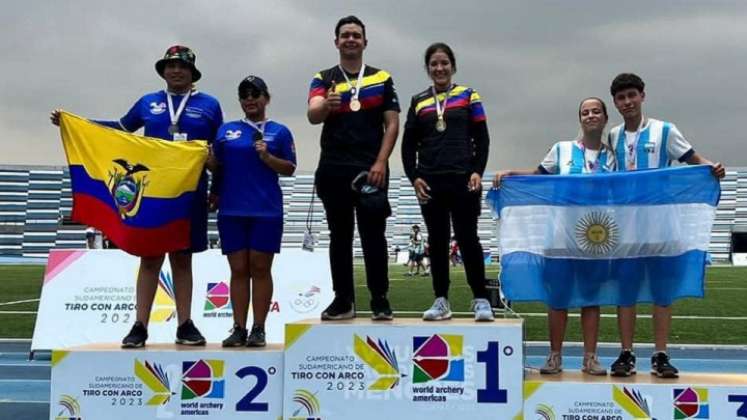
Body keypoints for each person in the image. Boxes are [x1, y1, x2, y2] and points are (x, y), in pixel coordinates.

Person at [50, 45, 223, 348]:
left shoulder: (209, 105)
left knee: (182, 260)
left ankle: (185, 324)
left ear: (192, 72)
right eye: (170, 66)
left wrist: (216, 185)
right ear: (163, 70)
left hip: (190, 191)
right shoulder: (148, 102)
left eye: (182, 67)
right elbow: (119, 130)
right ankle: (140, 325)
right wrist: (76, 123)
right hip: (153, 193)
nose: (176, 71)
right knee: (150, 256)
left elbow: (218, 149)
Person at [606, 73, 725, 378]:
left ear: (642, 96)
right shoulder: (613, 136)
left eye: (632, 95)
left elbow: (695, 160)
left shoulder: (665, 131)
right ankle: (626, 354)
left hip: (662, 226)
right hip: (627, 228)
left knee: (662, 292)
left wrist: (713, 168)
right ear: (615, 103)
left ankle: (661, 355)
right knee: (626, 292)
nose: (627, 102)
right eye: (621, 98)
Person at [493, 97, 616, 375]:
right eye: (585, 112)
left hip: (594, 239)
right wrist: (512, 173)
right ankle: (554, 356)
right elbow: (538, 175)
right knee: (557, 298)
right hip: (559, 236)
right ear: (580, 119)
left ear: (605, 118)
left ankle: (590, 358)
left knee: (590, 298)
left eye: (596, 111)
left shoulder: (612, 157)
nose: (590, 116)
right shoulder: (562, 150)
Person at [307, 16, 400, 321]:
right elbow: (312, 115)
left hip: (370, 169)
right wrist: (326, 105)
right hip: (334, 169)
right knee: (340, 237)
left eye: (356, 35)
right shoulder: (323, 78)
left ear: (364, 42)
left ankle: (380, 299)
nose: (350, 39)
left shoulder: (381, 78)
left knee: (374, 236)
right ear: (336, 42)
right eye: (345, 35)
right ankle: (343, 300)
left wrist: (381, 161)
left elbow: (392, 123)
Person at [401, 42, 493, 322]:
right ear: (428, 69)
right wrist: (414, 177)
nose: (439, 68)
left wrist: (477, 170)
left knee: (468, 239)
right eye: (434, 64)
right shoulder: (418, 101)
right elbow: (407, 145)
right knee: (437, 241)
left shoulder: (468, 95)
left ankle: (481, 300)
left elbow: (482, 137)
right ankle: (441, 300)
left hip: (463, 180)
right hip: (431, 182)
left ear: (453, 66)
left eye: (444, 63)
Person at [210, 76, 296, 347]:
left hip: (266, 210)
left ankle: (259, 328)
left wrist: (268, 157)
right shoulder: (226, 131)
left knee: (260, 268)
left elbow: (290, 168)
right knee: (237, 269)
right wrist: (207, 163)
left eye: (255, 94)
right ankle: (238, 328)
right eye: (244, 94)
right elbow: (218, 167)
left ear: (266, 98)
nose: (250, 99)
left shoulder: (279, 132)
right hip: (232, 209)